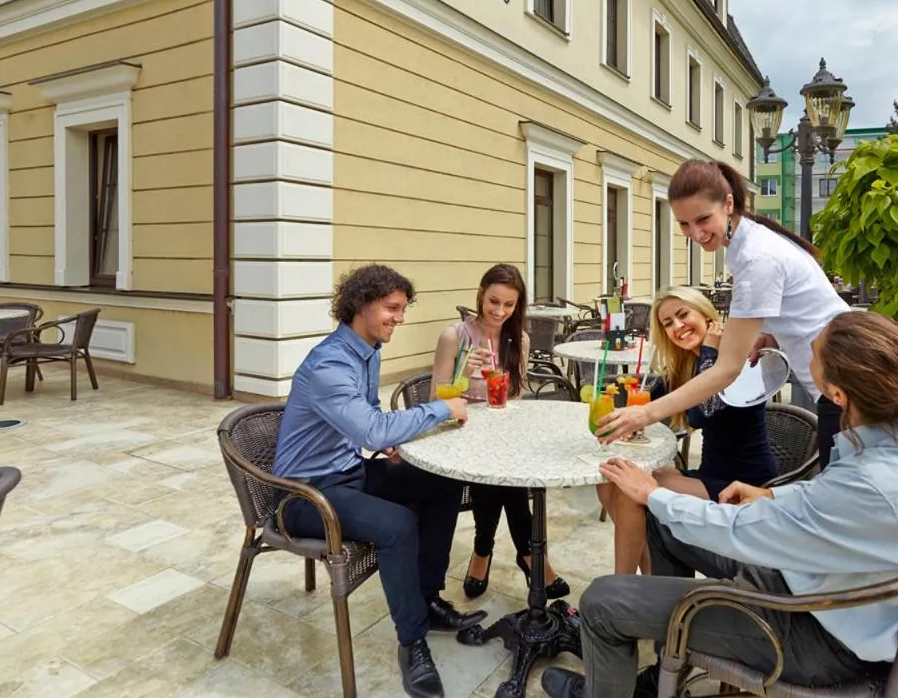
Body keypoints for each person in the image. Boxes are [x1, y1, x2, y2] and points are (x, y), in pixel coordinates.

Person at [540, 311, 898, 698]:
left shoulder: (874, 483)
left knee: (603, 600)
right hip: (825, 581)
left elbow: (740, 532)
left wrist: (653, 492)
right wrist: (774, 494)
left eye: (811, 357)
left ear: (837, 394)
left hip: (820, 633)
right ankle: (660, 675)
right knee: (661, 520)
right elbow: (833, 504)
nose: (800, 360)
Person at [272, 264, 486, 698]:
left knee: (442, 482)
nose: (399, 318)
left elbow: (366, 425)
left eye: (403, 309)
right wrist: (443, 410)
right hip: (305, 494)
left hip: (346, 473)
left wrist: (390, 440)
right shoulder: (330, 363)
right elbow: (371, 428)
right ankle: (412, 642)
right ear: (360, 305)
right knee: (396, 525)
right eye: (392, 308)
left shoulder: (366, 352)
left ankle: (426, 598)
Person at [596, 159, 851, 469]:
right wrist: (766, 334)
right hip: (840, 382)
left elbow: (726, 370)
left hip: (847, 389)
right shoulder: (748, 244)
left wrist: (646, 413)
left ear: (728, 204)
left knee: (850, 507)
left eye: (703, 219)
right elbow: (800, 312)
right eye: (684, 224)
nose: (696, 232)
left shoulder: (756, 258)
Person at [597, 285, 777, 575]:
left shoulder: (736, 361)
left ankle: (624, 584)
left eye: (683, 315)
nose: (677, 327)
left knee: (629, 490)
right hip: (709, 475)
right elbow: (649, 397)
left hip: (744, 484)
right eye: (668, 323)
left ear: (707, 315)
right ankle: (649, 577)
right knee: (612, 475)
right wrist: (616, 405)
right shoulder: (692, 364)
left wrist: (709, 349)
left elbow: (703, 411)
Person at [430, 264, 570, 600]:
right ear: (480, 295)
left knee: (509, 476)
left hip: (499, 432)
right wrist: (466, 370)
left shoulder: (517, 339)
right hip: (459, 433)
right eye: (493, 301)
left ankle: (483, 552)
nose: (499, 311)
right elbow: (437, 398)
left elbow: (515, 396)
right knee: (502, 480)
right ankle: (530, 555)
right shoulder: (455, 336)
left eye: (509, 305)